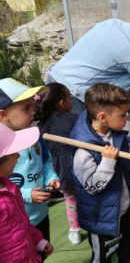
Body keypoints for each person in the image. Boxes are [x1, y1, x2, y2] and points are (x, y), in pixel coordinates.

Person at [69, 83, 130, 262]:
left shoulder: (117, 136)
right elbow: (91, 187)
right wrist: (107, 161)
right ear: (103, 116)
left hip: (123, 210)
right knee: (103, 257)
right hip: (102, 219)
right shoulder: (83, 150)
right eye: (123, 115)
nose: (127, 118)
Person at [0, 78, 60, 260]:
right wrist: (28, 195)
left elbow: (46, 161)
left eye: (32, 105)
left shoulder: (33, 136)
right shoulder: (4, 148)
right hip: (13, 225)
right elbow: (7, 186)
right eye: (26, 108)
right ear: (3, 115)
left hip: (37, 218)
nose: (34, 111)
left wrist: (51, 177)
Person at [34, 82, 82, 245]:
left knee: (70, 199)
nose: (71, 101)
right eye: (69, 98)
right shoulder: (74, 119)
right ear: (62, 102)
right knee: (88, 197)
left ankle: (74, 229)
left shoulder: (39, 127)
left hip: (57, 172)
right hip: (79, 167)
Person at [0, 123, 54, 262]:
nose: (18, 155)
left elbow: (22, 222)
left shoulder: (10, 186)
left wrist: (38, 241)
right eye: (13, 153)